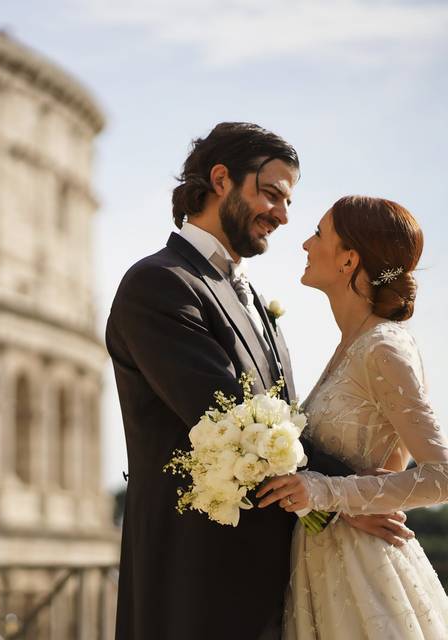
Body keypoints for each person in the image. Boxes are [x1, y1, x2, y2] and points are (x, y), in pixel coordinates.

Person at [106, 123, 412, 640]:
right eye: (270, 194)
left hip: (274, 576)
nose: (283, 215)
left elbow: (282, 423)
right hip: (193, 578)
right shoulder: (159, 283)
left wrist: (345, 494)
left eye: (288, 201)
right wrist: (343, 494)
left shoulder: (251, 296)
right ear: (221, 179)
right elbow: (231, 422)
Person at [256, 196, 448, 638]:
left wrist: (324, 491)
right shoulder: (352, 344)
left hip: (365, 573)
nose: (305, 243)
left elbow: (440, 476)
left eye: (319, 233)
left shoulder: (383, 347)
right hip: (322, 564)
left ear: (348, 259)